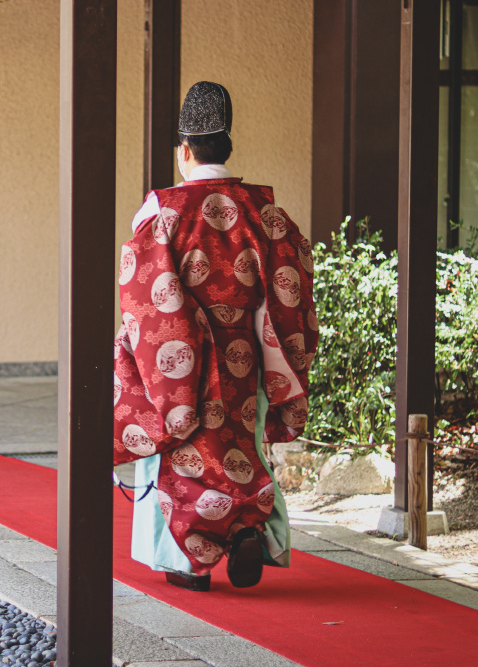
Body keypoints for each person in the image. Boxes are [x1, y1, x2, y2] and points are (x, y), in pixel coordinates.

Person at [113, 81, 318, 592]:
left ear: (185, 150)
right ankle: (248, 527)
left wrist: (161, 352)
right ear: (227, 146)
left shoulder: (161, 212)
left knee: (185, 450)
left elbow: (143, 291)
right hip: (248, 353)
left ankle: (187, 563)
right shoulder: (264, 213)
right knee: (243, 449)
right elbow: (293, 286)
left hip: (179, 359)